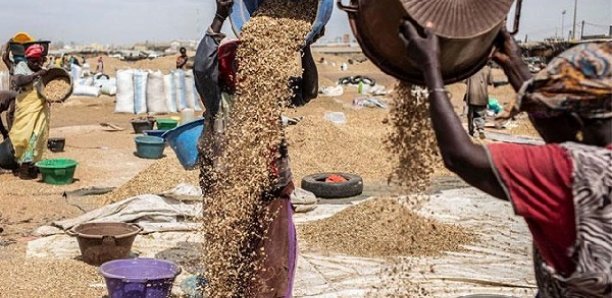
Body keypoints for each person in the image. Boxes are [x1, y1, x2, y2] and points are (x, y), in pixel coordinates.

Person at [400, 20, 611, 297]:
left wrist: (431, 70)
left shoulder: (572, 172)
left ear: (575, 120)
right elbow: (561, 128)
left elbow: (461, 157)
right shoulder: (592, 151)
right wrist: (514, 64)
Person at [193, 0, 321, 296]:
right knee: (229, 254)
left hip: (271, 187)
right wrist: (220, 16)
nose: (249, 73)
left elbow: (308, 91)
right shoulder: (218, 96)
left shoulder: (269, 88)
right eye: (240, 67)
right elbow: (202, 67)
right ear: (227, 74)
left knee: (271, 262)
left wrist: (305, 46)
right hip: (226, 188)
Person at [8, 43, 49, 178]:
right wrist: (36, 75)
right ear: (27, 59)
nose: (37, 64)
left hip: (39, 106)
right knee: (23, 135)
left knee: (36, 135)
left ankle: (30, 164)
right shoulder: (22, 66)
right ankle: (21, 165)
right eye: (33, 61)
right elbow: (18, 81)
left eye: (39, 61)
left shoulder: (42, 68)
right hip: (26, 106)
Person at [464, 65, 493, 138]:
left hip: (471, 95)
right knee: (481, 114)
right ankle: (481, 129)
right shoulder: (487, 68)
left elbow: (465, 81)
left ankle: (471, 131)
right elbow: (490, 82)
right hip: (482, 95)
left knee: (470, 115)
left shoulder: (471, 67)